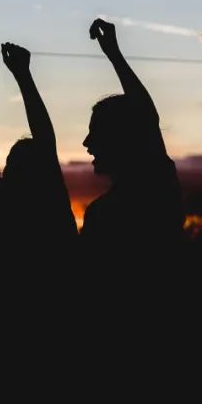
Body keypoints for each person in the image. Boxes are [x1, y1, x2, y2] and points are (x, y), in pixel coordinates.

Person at [81, 18, 184, 259]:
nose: (86, 142)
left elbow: (145, 116)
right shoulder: (157, 192)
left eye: (95, 132)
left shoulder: (154, 196)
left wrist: (115, 55)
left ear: (121, 138)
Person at [0, 42, 77, 244]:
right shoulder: (1, 214)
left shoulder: (50, 208)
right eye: (9, 162)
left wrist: (23, 77)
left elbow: (44, 138)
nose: (9, 169)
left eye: (16, 163)